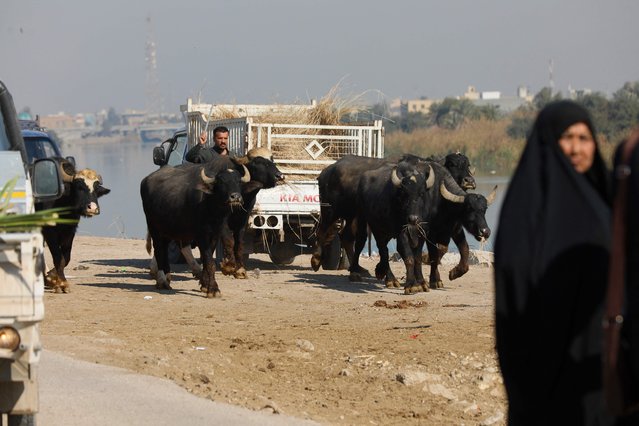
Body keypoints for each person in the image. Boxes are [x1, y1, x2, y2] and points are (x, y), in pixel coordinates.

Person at [494, 100, 614, 425]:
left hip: (597, 351)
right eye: (567, 138)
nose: (576, 148)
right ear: (549, 142)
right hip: (541, 350)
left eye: (583, 138)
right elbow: (513, 286)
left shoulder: (607, 198)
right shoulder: (526, 209)